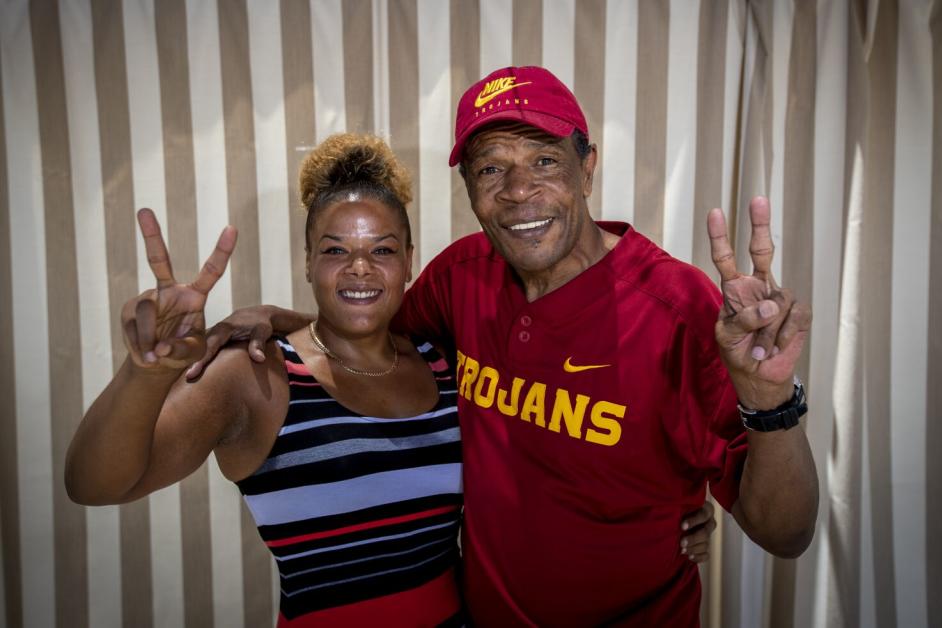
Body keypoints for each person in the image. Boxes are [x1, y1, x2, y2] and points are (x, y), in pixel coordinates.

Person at [194, 66, 818, 626]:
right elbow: (375, 345)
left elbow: (786, 532)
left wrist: (771, 400)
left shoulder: (679, 310)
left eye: (544, 160)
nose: (518, 190)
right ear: (470, 189)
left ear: (588, 167)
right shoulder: (460, 275)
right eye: (492, 167)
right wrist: (282, 321)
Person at [65, 131, 716, 626]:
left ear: (409, 262)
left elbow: (550, 437)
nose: (359, 269)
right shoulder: (254, 374)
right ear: (307, 261)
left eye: (380, 249)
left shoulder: (442, 365)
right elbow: (95, 483)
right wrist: (146, 373)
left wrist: (668, 506)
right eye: (334, 250)